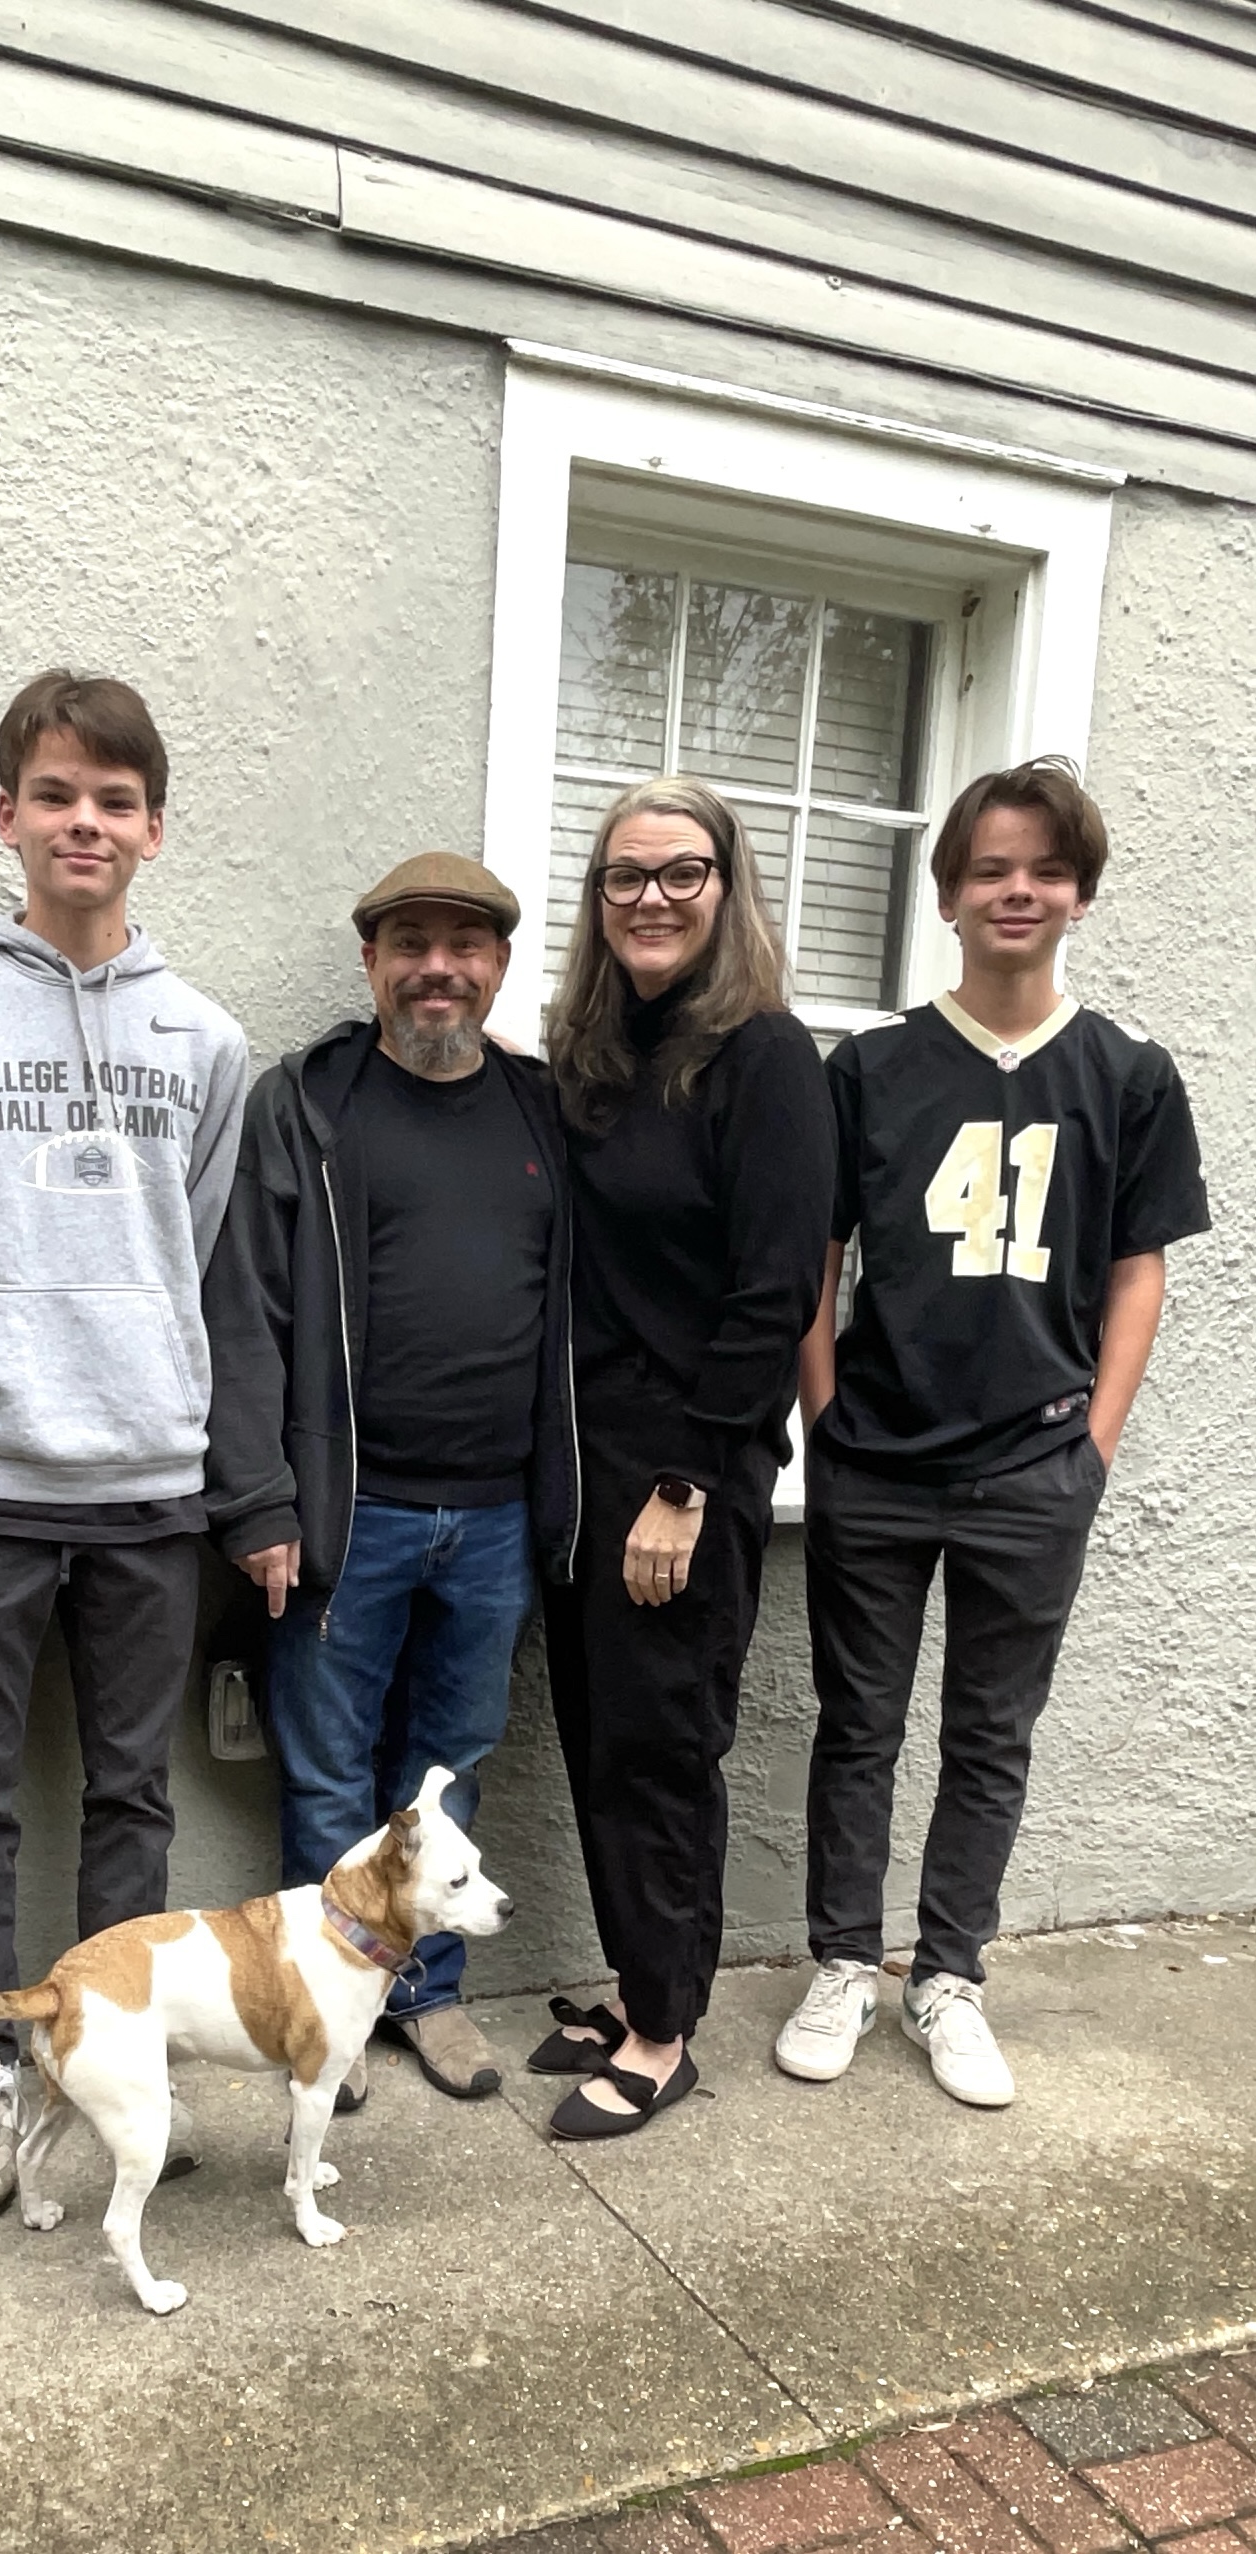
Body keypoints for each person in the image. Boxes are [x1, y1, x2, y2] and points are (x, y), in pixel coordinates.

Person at [0, 669, 249, 2216]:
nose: (83, 821)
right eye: (55, 794)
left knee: (132, 1792)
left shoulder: (205, 1038)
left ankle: (104, 2054)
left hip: (148, 1479)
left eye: (114, 799)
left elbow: (190, 1246)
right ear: (8, 814)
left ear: (153, 828)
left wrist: (132, 1364)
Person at [774, 758, 1208, 2107]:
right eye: (989, 869)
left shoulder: (1127, 1074)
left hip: (1033, 1465)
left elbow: (1138, 1267)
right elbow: (812, 1259)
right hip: (876, 1458)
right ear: (948, 893)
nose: (1016, 890)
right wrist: (825, 1415)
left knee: (990, 1733)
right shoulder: (871, 1068)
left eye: (1044, 869)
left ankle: (949, 1974)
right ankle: (844, 1958)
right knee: (857, 1724)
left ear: (1079, 893)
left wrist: (1093, 1447)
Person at [203, 853, 577, 2108]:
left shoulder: (540, 1112)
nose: (436, 968)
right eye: (409, 943)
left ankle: (426, 1994)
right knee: (326, 1770)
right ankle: (328, 2008)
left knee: (448, 1765)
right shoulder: (308, 1105)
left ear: (497, 967)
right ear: (370, 963)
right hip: (342, 1514)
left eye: (462, 946)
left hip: (497, 1514)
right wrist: (257, 1499)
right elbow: (245, 1311)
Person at [528, 777, 834, 2141]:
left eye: (680, 872)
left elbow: (775, 1294)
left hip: (681, 1468)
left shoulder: (765, 1059)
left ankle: (663, 2034)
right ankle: (637, 1983)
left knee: (660, 1745)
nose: (649, 897)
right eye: (624, 875)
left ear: (726, 887)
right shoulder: (600, 1057)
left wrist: (685, 1486)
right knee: (602, 1735)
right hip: (585, 1460)